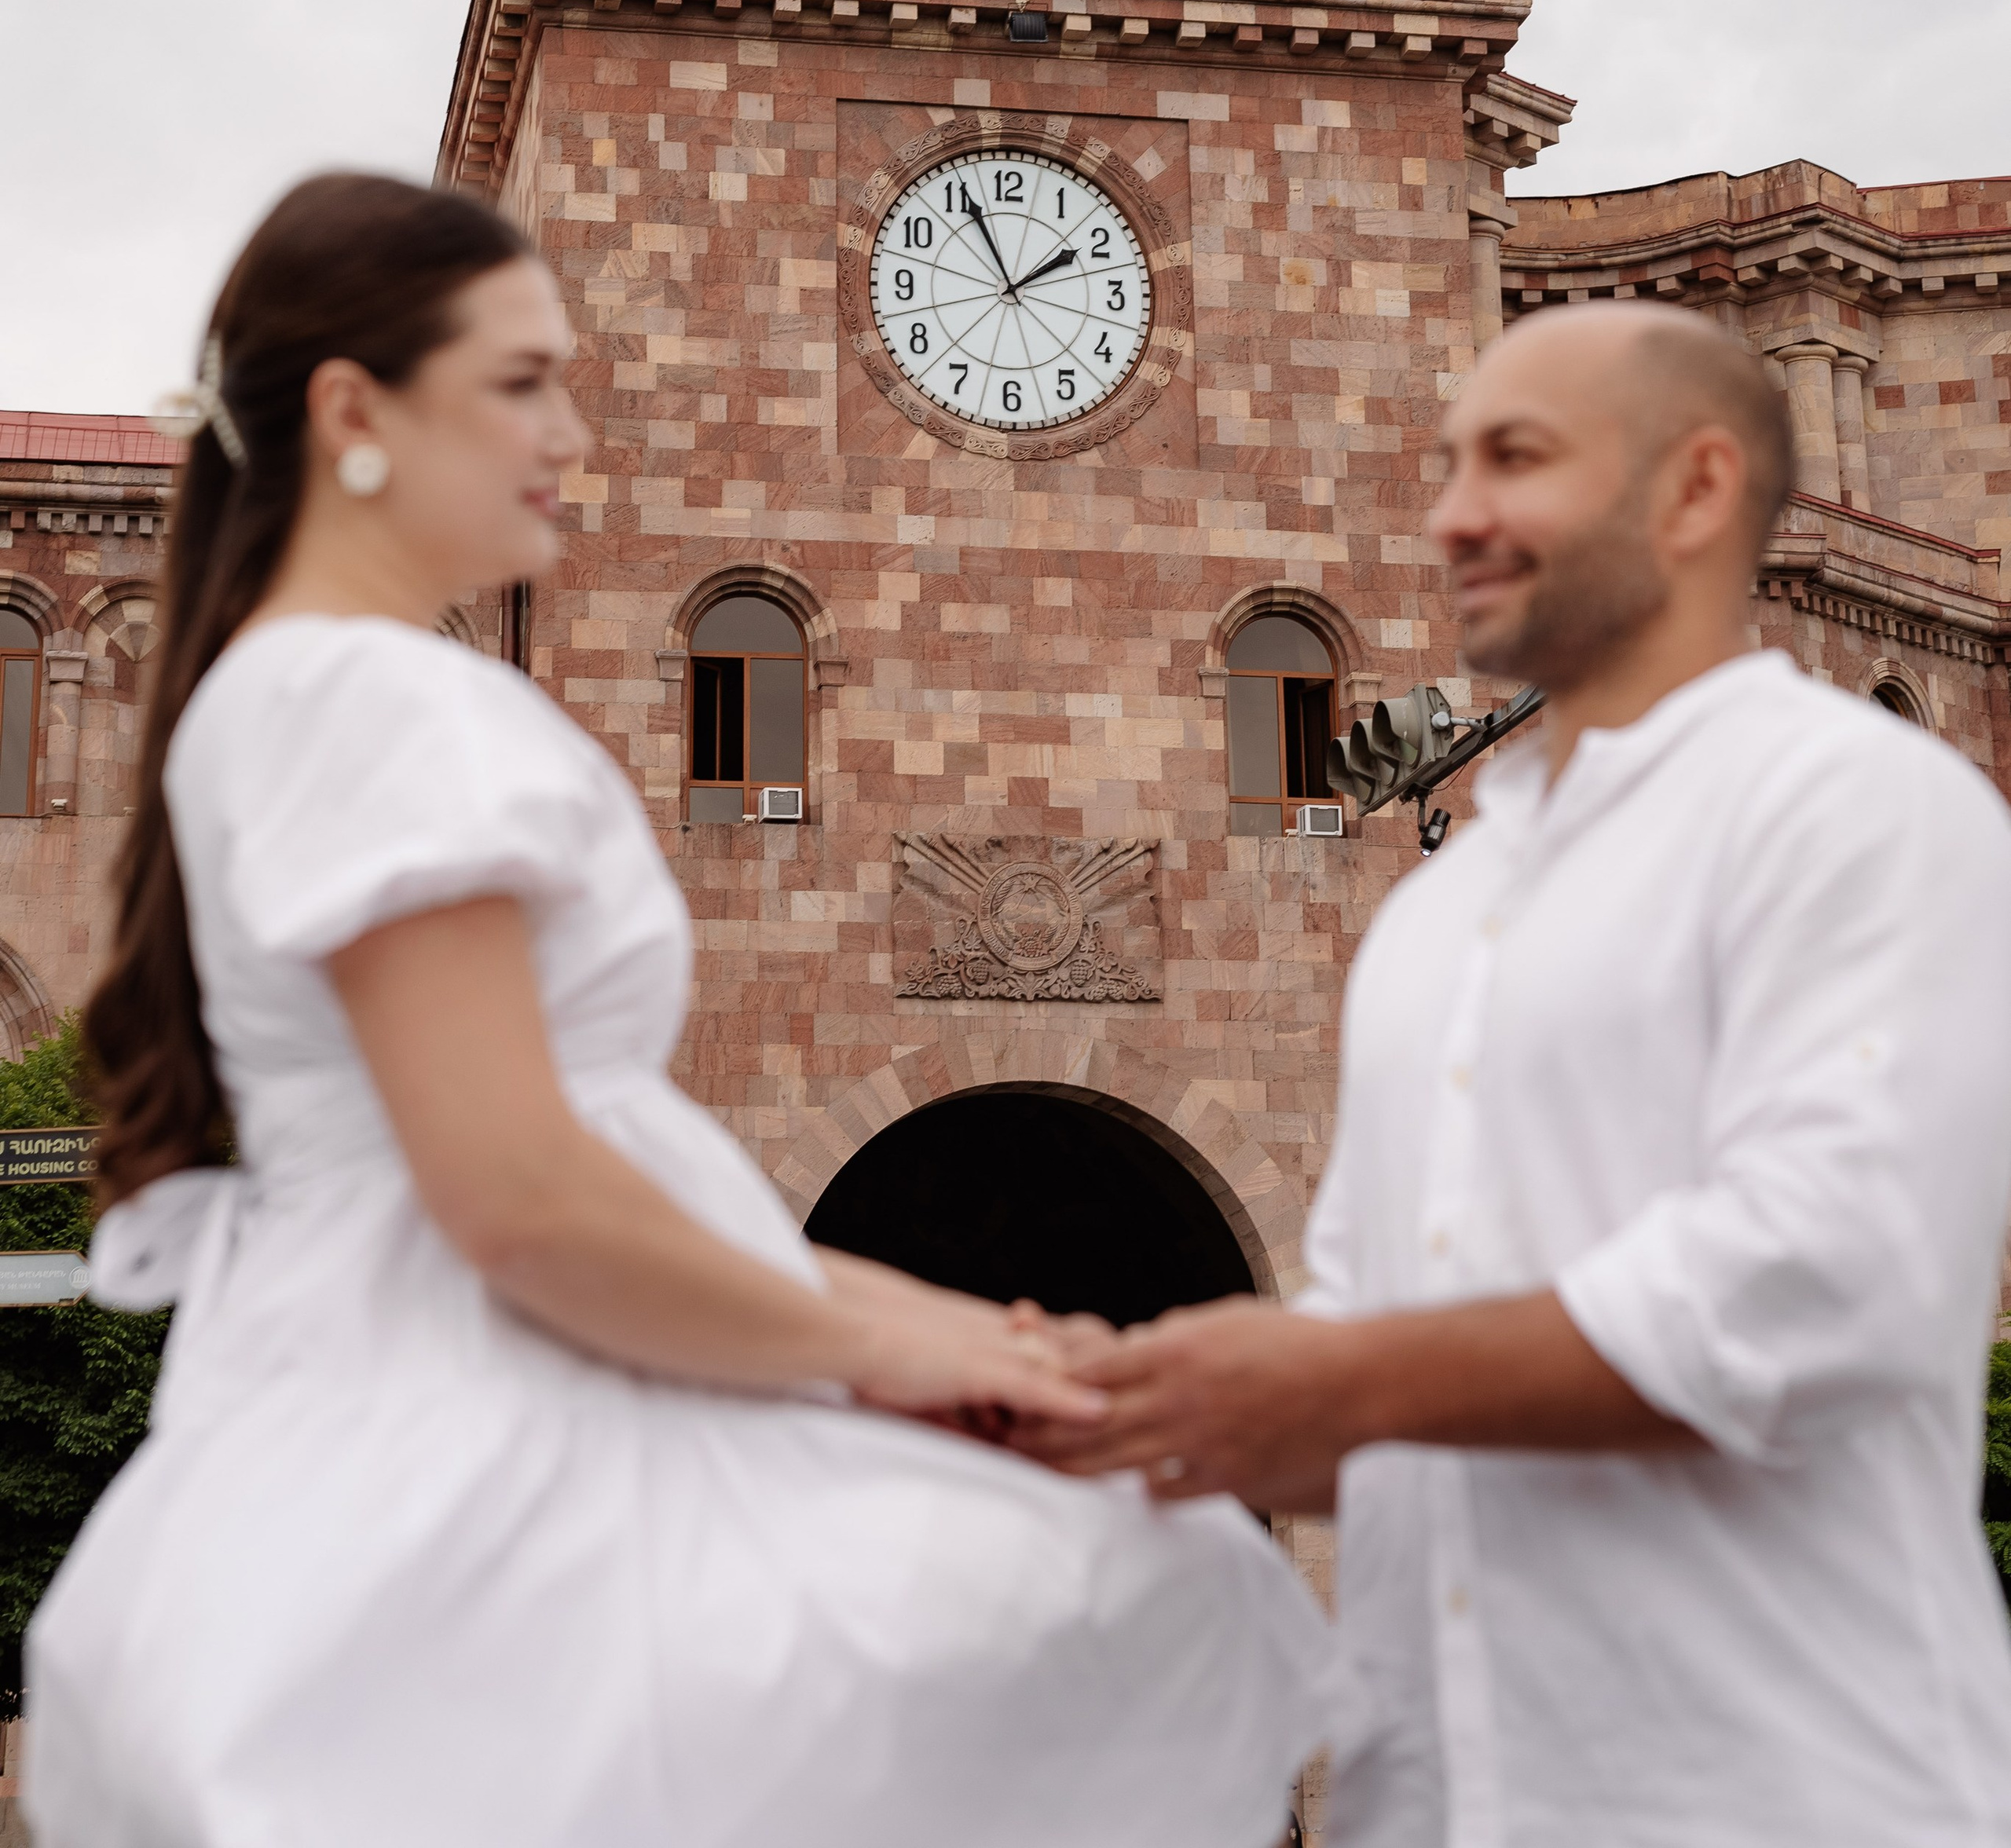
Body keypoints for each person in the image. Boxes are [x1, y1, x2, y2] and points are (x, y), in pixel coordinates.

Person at [26, 172, 1327, 1848]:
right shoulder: (366, 699)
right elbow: (525, 1197)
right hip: (496, 1439)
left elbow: (591, 1168)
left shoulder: (300, 692)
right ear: (354, 411)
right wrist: (909, 1350)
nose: (573, 427)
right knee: (1123, 1579)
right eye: (520, 383)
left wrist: (956, 1337)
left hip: (428, 1421)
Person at [1020, 302, 2011, 1846]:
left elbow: (1828, 1284)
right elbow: (1363, 1334)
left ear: (1690, 492)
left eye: (1514, 461)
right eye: (1448, 466)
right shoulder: (1437, 915)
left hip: (1778, 1794)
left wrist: (1326, 1376)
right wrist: (1094, 1409)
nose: (1452, 515)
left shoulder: (1857, 812)